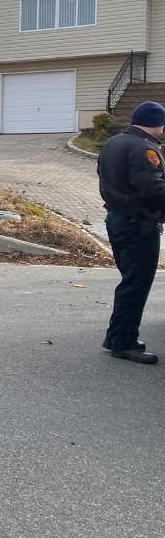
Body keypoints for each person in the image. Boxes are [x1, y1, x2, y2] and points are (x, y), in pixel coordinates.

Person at [96, 100, 165, 364]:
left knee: (130, 282)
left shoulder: (113, 144)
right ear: (158, 124)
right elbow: (154, 190)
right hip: (139, 225)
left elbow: (102, 175)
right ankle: (125, 342)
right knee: (135, 285)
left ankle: (115, 337)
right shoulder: (145, 148)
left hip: (116, 219)